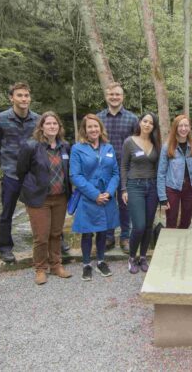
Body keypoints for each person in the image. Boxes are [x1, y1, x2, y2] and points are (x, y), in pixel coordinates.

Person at [16, 111, 73, 285]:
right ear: (41, 126)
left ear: (59, 127)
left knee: (56, 234)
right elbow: (21, 171)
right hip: (39, 199)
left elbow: (68, 170)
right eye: (48, 123)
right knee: (41, 236)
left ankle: (56, 265)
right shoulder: (31, 146)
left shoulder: (65, 146)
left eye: (55, 124)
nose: (52, 126)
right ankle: (40, 268)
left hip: (60, 197)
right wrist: (31, 189)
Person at [0, 82, 39, 263]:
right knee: (7, 212)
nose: (24, 99)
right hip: (11, 174)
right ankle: (5, 248)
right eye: (20, 95)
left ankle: (56, 243)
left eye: (26, 95)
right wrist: (5, 163)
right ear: (11, 98)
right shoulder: (0, 120)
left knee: (42, 209)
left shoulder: (37, 120)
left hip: (33, 174)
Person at [70, 114, 119, 281]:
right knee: (87, 231)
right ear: (84, 129)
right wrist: (95, 194)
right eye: (90, 126)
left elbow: (115, 173)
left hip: (106, 197)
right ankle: (86, 264)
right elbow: (75, 176)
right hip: (88, 196)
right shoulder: (77, 148)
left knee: (103, 230)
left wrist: (110, 192)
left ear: (100, 128)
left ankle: (100, 261)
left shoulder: (108, 148)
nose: (93, 129)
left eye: (96, 126)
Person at [97, 82, 139, 252]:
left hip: (126, 168)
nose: (114, 97)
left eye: (117, 94)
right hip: (104, 169)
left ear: (123, 97)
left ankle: (125, 237)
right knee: (106, 202)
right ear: (106, 96)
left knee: (125, 203)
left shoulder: (132, 119)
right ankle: (108, 237)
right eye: (111, 94)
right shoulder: (98, 118)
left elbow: (138, 144)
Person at [121, 112, 161, 274]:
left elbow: (159, 168)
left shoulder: (156, 143)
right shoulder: (129, 142)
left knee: (149, 226)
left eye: (151, 123)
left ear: (153, 127)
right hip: (134, 186)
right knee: (139, 226)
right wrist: (124, 188)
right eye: (145, 121)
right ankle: (132, 257)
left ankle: (143, 257)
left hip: (152, 187)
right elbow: (123, 166)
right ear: (140, 122)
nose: (147, 125)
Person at [157, 115, 192, 229]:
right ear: (175, 127)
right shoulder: (168, 146)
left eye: (186, 125)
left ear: (190, 128)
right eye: (180, 125)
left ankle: (182, 245)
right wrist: (162, 197)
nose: (183, 128)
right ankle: (170, 245)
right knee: (171, 220)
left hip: (190, 189)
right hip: (172, 189)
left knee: (186, 221)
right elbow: (161, 173)